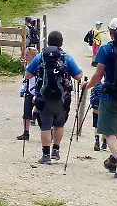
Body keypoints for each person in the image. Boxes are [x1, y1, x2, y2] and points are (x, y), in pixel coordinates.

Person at [85, 18, 117, 179]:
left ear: (111, 31)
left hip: (110, 96)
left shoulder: (106, 49)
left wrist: (88, 86)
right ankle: (113, 161)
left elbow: (98, 75)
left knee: (108, 133)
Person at [25, 31, 84, 164]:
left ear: (48, 42)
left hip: (43, 97)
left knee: (45, 126)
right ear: (61, 43)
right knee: (59, 124)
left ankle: (45, 155)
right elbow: (78, 76)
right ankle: (55, 150)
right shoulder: (66, 58)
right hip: (62, 99)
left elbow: (28, 75)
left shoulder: (40, 56)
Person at [17, 47, 40, 141]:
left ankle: (47, 131)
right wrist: (22, 90)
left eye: (27, 55)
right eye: (25, 55)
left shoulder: (38, 67)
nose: (25, 57)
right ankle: (26, 132)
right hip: (28, 91)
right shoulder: (27, 66)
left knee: (42, 113)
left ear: (33, 56)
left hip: (37, 92)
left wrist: (36, 94)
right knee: (26, 113)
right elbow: (26, 80)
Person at [90, 82, 107, 151]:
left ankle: (97, 142)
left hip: (96, 107)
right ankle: (104, 142)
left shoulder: (97, 84)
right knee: (106, 124)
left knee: (96, 125)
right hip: (106, 108)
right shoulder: (109, 83)